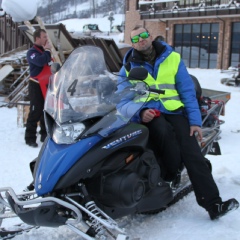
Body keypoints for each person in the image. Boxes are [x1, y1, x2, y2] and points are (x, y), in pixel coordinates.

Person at [117, 26, 239, 220]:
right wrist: (139, 112)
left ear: (150, 36)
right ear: (132, 43)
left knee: (192, 152)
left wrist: (195, 122)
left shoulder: (172, 58)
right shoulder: (128, 67)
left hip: (175, 111)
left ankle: (213, 204)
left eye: (144, 35)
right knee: (159, 132)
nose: (141, 40)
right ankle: (167, 174)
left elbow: (188, 93)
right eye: (136, 38)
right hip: (149, 114)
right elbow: (121, 100)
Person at [25, 28, 53, 147]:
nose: (47, 39)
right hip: (36, 85)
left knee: (45, 110)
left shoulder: (45, 52)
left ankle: (44, 134)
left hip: (47, 85)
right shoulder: (32, 52)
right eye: (44, 37)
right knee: (36, 110)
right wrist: (47, 50)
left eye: (47, 37)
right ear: (37, 38)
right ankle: (30, 137)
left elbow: (50, 64)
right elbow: (41, 62)